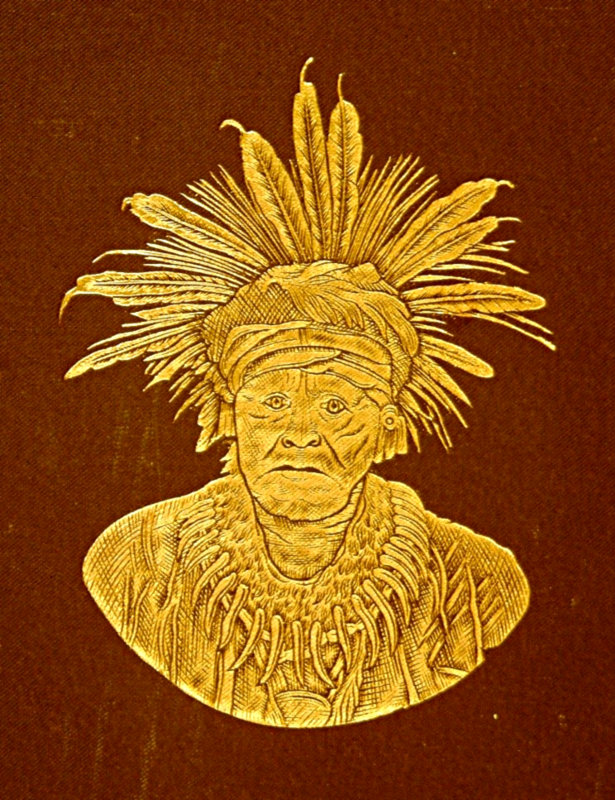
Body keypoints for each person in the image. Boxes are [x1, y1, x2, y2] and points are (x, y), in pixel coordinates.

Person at [63, 59, 552, 727]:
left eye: (336, 406)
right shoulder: (134, 561)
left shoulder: (475, 582)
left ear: (388, 427)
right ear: (228, 412)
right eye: (270, 402)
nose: (300, 433)